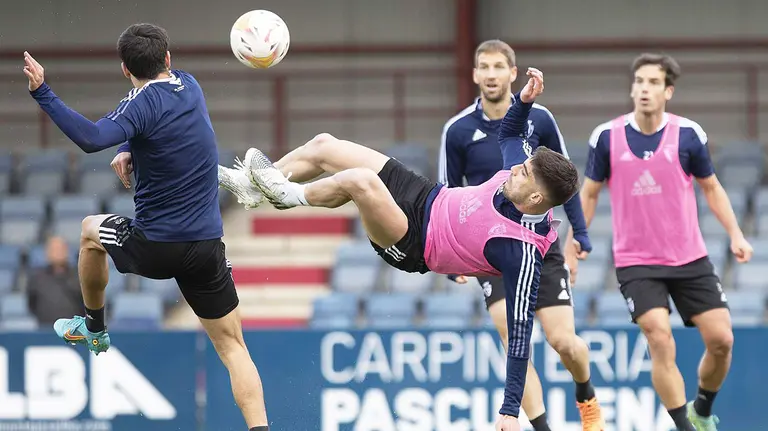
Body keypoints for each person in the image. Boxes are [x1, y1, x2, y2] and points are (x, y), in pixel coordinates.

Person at [221, 68, 578, 431]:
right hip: (425, 195)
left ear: (536, 198)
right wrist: (525, 100)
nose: (517, 167)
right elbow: (512, 131)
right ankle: (254, 187)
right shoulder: (517, 175)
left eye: (525, 172)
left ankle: (285, 195)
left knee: (361, 182)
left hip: (414, 243)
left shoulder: (521, 251)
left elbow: (520, 338)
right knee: (323, 145)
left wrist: (510, 409)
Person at [24, 23, 270, 431]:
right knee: (233, 347)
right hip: (207, 245)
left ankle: (93, 328)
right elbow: (150, 121)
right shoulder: (189, 86)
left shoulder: (139, 106)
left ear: (124, 69)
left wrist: (42, 92)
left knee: (89, 230)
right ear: (168, 59)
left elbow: (91, 137)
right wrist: (127, 148)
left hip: (156, 245)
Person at [577, 52, 753, 431]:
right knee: (659, 335)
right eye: (639, 81)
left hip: (689, 257)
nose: (644, 89)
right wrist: (575, 242)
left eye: (653, 82)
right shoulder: (606, 137)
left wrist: (736, 234)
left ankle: (701, 411)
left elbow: (711, 187)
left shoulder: (689, 134)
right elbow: (588, 194)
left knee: (722, 340)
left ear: (668, 91)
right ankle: (684, 427)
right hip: (636, 261)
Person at [439, 39, 603, 430]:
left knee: (564, 342)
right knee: (515, 340)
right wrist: (450, 255)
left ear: (513, 73)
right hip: (490, 251)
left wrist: (578, 232)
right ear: (475, 74)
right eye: (484, 67)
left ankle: (586, 394)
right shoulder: (457, 130)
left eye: (499, 67)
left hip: (540, 246)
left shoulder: (539, 119)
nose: (491, 74)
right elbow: (448, 192)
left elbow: (564, 181)